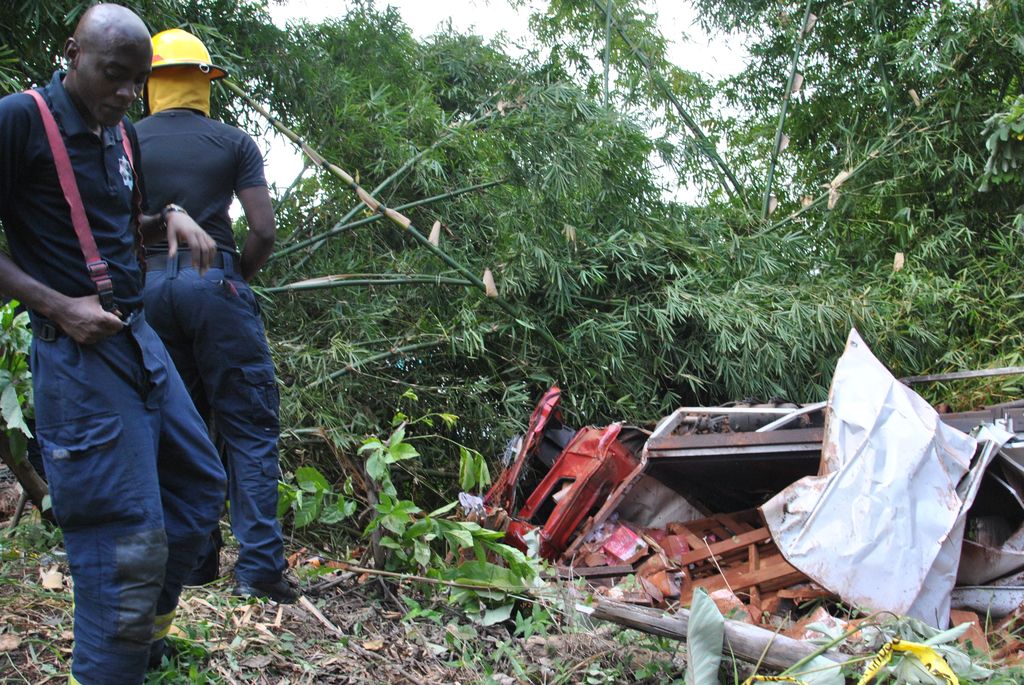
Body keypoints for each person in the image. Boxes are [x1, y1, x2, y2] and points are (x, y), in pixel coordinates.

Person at [0, 5, 227, 684]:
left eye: (137, 82)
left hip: (137, 340)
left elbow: (115, 231)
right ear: (73, 53)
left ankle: (143, 648)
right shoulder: (20, 119)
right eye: (114, 75)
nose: (127, 93)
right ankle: (104, 670)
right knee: (124, 539)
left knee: (195, 488)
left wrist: (171, 220)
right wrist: (57, 305)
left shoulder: (118, 136)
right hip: (76, 355)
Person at [136, 28, 296, 603]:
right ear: (204, 81)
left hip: (147, 289)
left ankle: (196, 561)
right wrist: (231, 281)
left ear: (149, 82)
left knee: (178, 427)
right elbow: (263, 230)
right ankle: (257, 570)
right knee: (247, 426)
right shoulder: (234, 142)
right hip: (216, 280)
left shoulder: (124, 139)